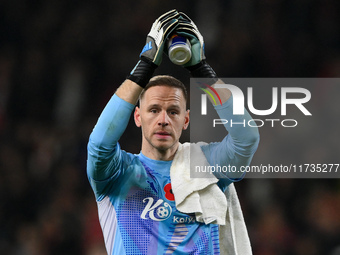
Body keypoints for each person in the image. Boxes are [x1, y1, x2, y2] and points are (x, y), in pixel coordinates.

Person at [87, 10, 260, 255]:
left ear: (186, 120)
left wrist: (201, 69)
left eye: (173, 112)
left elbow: (247, 138)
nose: (163, 120)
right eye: (154, 110)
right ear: (137, 117)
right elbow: (100, 143)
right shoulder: (117, 175)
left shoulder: (206, 167)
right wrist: (145, 65)